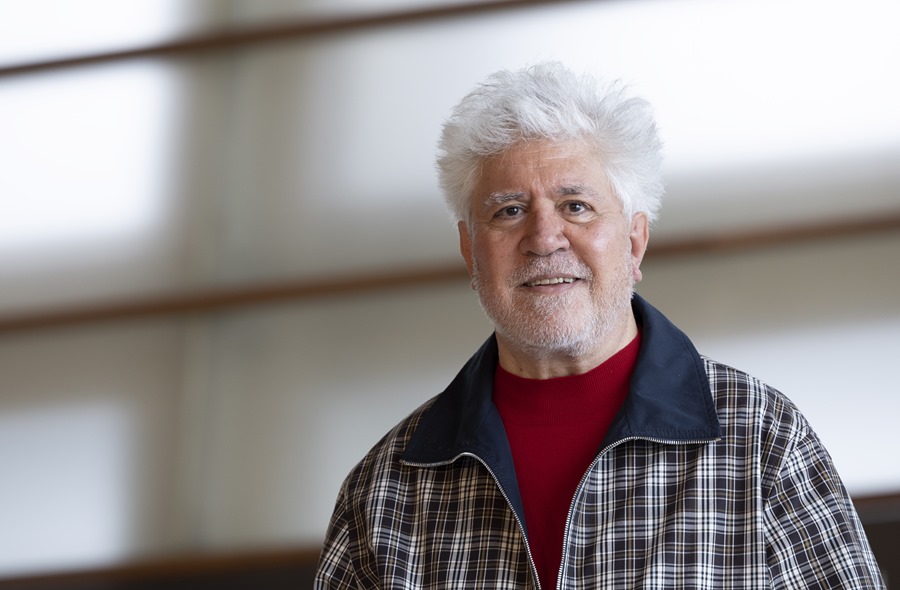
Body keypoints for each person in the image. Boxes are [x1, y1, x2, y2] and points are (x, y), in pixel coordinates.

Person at [314, 63, 884, 588]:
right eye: (508, 210)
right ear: (470, 251)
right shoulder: (386, 490)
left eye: (576, 206)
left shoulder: (761, 440)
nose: (543, 238)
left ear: (636, 240)